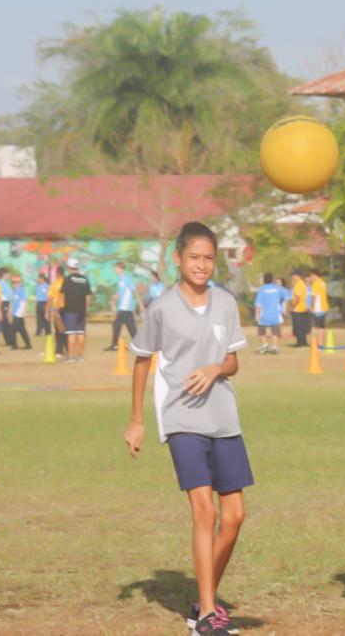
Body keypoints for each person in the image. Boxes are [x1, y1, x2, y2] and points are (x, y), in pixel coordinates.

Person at [124, 222, 250, 636]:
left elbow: (232, 362)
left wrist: (216, 368)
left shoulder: (226, 304)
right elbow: (142, 359)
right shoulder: (160, 308)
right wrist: (138, 419)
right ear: (178, 258)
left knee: (234, 516)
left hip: (224, 418)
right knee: (205, 511)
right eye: (194, 256)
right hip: (182, 420)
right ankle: (208, 616)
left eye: (208, 258)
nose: (201, 264)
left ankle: (203, 597)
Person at [60, 257, 92, 362]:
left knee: (71, 334)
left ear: (69, 267)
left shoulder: (67, 279)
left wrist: (61, 307)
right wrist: (86, 309)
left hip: (70, 310)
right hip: (82, 311)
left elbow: (62, 295)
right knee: (81, 333)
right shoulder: (85, 279)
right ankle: (80, 356)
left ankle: (71, 356)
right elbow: (88, 296)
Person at [105, 261, 140, 351]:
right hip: (123, 308)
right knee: (131, 328)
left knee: (117, 325)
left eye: (116, 268)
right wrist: (113, 301)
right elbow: (119, 294)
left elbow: (134, 291)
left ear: (121, 269)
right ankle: (139, 345)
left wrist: (141, 304)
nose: (114, 270)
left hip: (126, 307)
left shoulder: (127, 279)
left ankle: (114, 345)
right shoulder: (120, 280)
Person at [253, 273, 286, 354]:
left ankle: (264, 345)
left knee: (261, 332)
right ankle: (274, 347)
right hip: (275, 314)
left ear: (264, 279)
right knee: (275, 331)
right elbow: (286, 297)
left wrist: (257, 314)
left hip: (264, 314)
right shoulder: (277, 288)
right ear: (272, 279)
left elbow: (258, 304)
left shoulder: (262, 289)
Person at [5, 272, 32, 351]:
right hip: (15, 312)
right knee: (21, 329)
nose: (14, 284)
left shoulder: (20, 290)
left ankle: (14, 346)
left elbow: (25, 301)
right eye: (13, 282)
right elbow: (13, 302)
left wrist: (24, 312)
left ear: (19, 283)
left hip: (19, 313)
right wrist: (10, 311)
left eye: (16, 282)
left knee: (12, 329)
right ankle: (28, 345)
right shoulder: (14, 291)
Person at [289, 270, 311, 348]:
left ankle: (300, 343)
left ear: (298, 276)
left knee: (298, 327)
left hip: (298, 308)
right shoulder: (301, 283)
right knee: (301, 327)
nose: (292, 277)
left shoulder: (298, 284)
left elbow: (298, 297)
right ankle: (303, 342)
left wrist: (293, 305)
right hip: (302, 307)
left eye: (294, 275)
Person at [309, 268, 330, 347]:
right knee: (322, 326)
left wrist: (312, 306)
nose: (310, 278)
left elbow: (314, 296)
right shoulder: (323, 283)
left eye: (311, 276)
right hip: (324, 306)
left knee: (318, 327)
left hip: (318, 307)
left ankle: (319, 344)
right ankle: (320, 343)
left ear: (314, 275)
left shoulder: (316, 283)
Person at [48, 264, 66, 354]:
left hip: (57, 309)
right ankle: (68, 348)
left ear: (58, 273)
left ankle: (59, 350)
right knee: (65, 329)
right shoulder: (67, 282)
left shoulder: (54, 284)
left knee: (58, 330)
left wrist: (47, 310)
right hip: (67, 309)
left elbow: (50, 298)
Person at [33, 268, 52, 336]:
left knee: (46, 318)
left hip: (45, 303)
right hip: (39, 303)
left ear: (42, 279)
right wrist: (35, 305)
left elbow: (49, 297)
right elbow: (36, 296)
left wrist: (48, 306)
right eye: (38, 278)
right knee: (39, 319)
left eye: (39, 278)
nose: (38, 279)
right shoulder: (37, 286)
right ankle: (39, 331)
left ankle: (48, 332)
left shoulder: (47, 286)